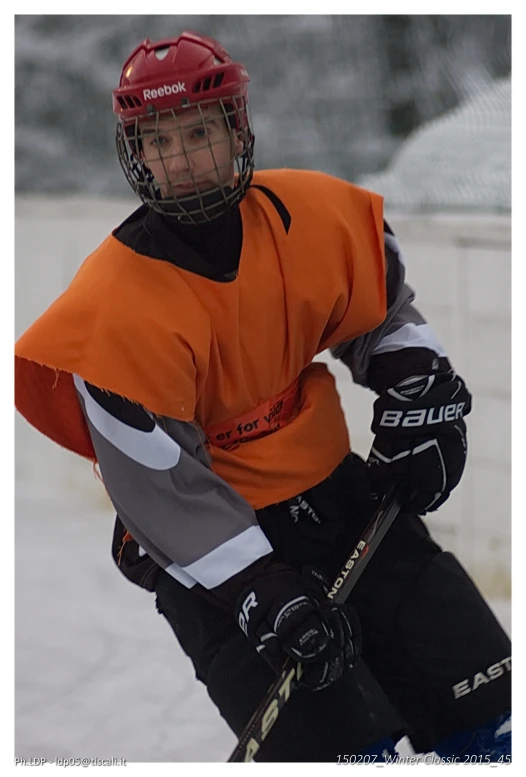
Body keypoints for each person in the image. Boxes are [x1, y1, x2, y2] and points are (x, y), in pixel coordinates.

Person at [15, 31, 511, 763]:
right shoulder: (110, 311)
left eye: (199, 132)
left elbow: (380, 310)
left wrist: (421, 391)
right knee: (350, 752)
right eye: (160, 140)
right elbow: (164, 491)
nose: (180, 159)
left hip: (342, 500)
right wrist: (257, 585)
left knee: (498, 712)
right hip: (212, 558)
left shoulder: (308, 217)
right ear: (136, 153)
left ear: (236, 131)